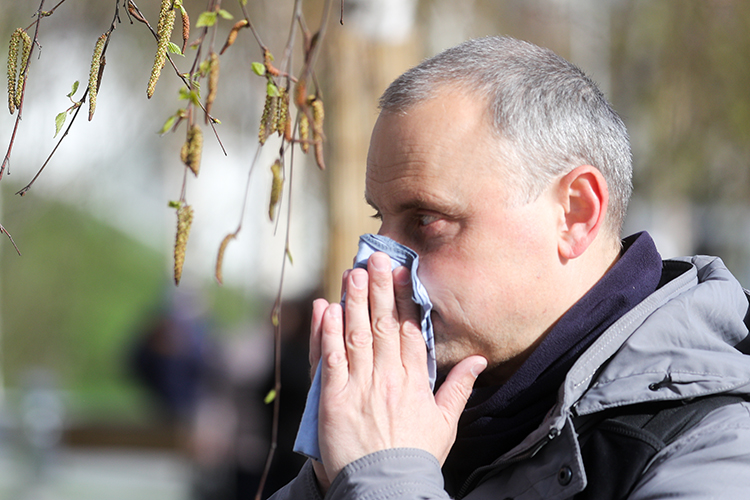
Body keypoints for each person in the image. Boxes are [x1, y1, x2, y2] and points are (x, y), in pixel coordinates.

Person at [269, 36, 750, 500]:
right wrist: (332, 477)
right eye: (381, 219)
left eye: (426, 220)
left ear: (576, 213)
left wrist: (384, 476)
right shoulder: (417, 412)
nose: (378, 261)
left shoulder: (717, 447)